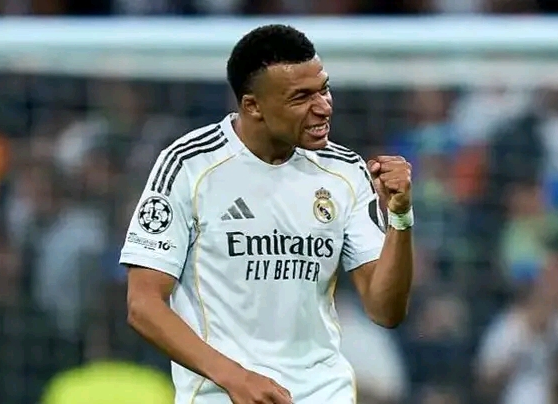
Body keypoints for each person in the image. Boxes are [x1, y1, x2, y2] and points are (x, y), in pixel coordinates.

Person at [121, 24, 415, 404]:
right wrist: (235, 378)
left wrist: (400, 217)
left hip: (323, 394)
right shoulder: (189, 165)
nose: (324, 107)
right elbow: (143, 305)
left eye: (324, 89)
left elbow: (385, 310)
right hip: (222, 396)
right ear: (252, 106)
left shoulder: (346, 171)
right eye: (301, 97)